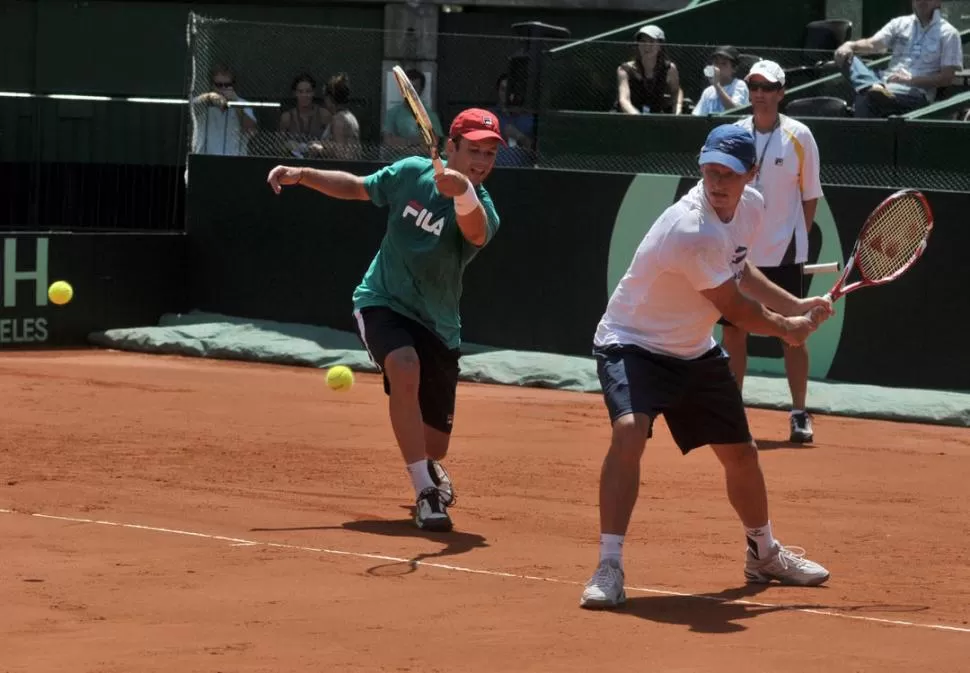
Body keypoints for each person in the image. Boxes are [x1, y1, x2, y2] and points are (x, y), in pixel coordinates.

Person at [579, 124, 833, 610]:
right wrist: (787, 327)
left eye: (729, 175)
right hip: (632, 342)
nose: (717, 183)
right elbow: (733, 308)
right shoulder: (689, 226)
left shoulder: (752, 207)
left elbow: (739, 268)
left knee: (741, 453)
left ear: (750, 175)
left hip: (691, 348)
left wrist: (794, 303)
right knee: (630, 431)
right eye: (710, 172)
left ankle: (763, 553)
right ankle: (608, 565)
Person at [266, 109, 505, 532]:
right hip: (382, 300)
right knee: (404, 365)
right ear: (450, 147)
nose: (482, 161)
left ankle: (427, 467)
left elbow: (476, 233)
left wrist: (464, 191)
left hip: (439, 325)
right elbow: (359, 188)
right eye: (473, 151)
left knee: (437, 446)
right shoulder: (411, 173)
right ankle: (425, 493)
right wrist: (302, 174)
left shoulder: (481, 206)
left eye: (489, 154)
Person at [724, 60, 824, 444]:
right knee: (734, 335)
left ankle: (799, 413)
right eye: (754, 86)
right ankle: (733, 411)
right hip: (740, 253)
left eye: (768, 87)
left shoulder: (801, 136)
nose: (760, 94)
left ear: (781, 93)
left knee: (794, 335)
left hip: (785, 253)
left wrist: (794, 235)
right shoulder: (733, 133)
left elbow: (810, 197)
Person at [833, 0, 962, 118]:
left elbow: (947, 78)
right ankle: (871, 86)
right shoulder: (900, 23)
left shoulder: (949, 34)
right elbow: (873, 44)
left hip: (915, 94)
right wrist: (850, 45)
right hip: (885, 83)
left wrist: (911, 80)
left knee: (864, 98)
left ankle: (869, 88)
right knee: (846, 57)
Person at [615, 25, 684, 115]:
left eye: (651, 42)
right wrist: (639, 119)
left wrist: (677, 108)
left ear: (660, 46)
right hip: (627, 119)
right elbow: (624, 100)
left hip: (655, 117)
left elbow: (676, 91)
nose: (647, 46)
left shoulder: (670, 69)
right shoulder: (624, 70)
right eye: (643, 41)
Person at [278, 72, 332, 158]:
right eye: (300, 92)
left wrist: (321, 146)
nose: (304, 95)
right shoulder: (287, 117)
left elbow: (333, 144)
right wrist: (288, 145)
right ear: (295, 93)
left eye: (308, 91)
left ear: (313, 93)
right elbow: (278, 145)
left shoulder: (324, 115)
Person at [692, 45, 749, 116]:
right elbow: (696, 116)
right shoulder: (708, 91)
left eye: (724, 63)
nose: (718, 67)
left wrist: (717, 86)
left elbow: (736, 112)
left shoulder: (739, 85)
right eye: (716, 63)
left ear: (734, 68)